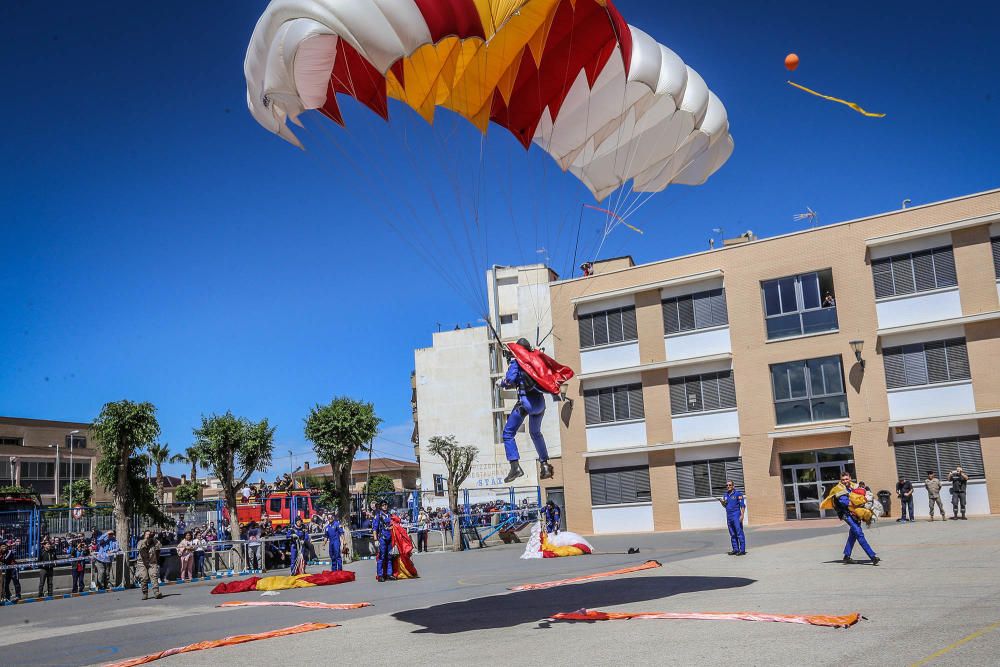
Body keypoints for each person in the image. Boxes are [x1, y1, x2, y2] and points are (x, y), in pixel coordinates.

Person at [500, 338, 555, 483]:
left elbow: (510, 379)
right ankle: (545, 465)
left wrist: (503, 383)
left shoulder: (517, 362)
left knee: (507, 434)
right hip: (540, 404)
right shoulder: (536, 360)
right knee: (536, 433)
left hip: (526, 404)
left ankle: (515, 467)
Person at [831, 472, 879, 565]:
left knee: (853, 534)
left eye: (846, 479)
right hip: (846, 514)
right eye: (843, 479)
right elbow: (847, 503)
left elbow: (863, 493)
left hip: (855, 514)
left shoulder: (853, 486)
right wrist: (863, 501)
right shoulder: (838, 489)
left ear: (850, 478)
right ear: (840, 480)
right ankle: (872, 556)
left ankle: (847, 556)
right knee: (859, 533)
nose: (845, 481)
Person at [718, 480, 746, 555]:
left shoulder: (738, 494)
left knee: (739, 532)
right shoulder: (725, 495)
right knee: (732, 534)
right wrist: (722, 503)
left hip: (736, 515)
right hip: (729, 516)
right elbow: (725, 506)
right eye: (727, 485)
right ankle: (735, 549)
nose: (728, 486)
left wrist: (742, 515)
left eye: (730, 485)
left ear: (733, 486)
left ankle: (742, 550)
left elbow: (742, 506)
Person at [390, 514, 418, 578]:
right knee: (402, 560)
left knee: (394, 560)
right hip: (400, 546)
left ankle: (395, 573)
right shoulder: (398, 526)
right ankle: (402, 572)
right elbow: (405, 537)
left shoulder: (391, 526)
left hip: (394, 546)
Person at [136, 531, 163, 600]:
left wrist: (153, 539)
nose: (149, 536)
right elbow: (139, 547)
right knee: (144, 578)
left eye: (150, 534)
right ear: (144, 535)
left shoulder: (154, 542)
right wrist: (146, 539)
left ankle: (156, 592)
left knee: (154, 576)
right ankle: (145, 593)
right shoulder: (141, 541)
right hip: (142, 563)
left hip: (152, 562)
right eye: (147, 534)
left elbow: (159, 546)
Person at [372, 501, 394, 582]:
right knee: (381, 557)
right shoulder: (378, 515)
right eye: (383, 505)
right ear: (380, 507)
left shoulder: (390, 515)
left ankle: (389, 574)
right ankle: (380, 575)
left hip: (390, 538)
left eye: (386, 504)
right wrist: (375, 539)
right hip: (382, 538)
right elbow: (374, 528)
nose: (385, 506)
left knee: (389, 556)